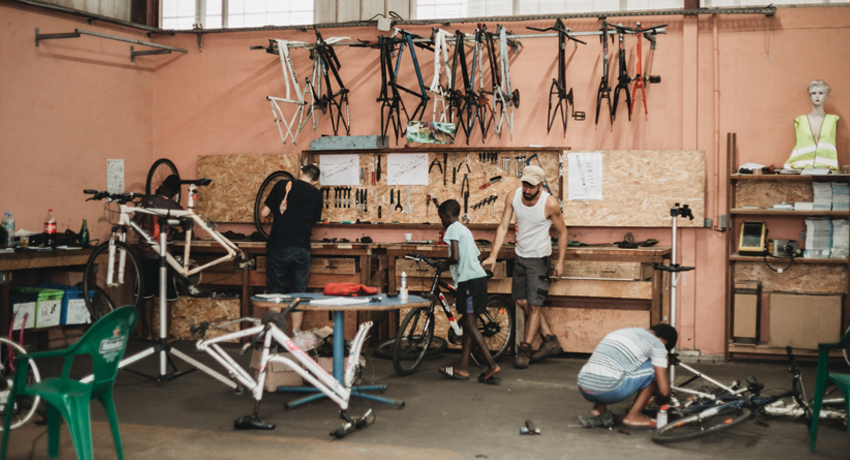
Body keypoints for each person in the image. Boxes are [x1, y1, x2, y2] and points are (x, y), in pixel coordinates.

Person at [481, 165, 568, 369]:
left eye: (531, 186)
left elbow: (563, 233)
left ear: (540, 185)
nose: (527, 190)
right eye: (525, 185)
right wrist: (493, 256)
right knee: (522, 301)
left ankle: (525, 350)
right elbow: (503, 226)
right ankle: (549, 339)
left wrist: (560, 262)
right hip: (520, 255)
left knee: (535, 305)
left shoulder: (550, 204)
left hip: (539, 258)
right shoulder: (513, 196)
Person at [436, 200, 501, 384]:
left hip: (469, 283)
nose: (441, 221)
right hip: (477, 279)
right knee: (467, 321)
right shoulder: (465, 230)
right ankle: (463, 368)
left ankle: (491, 364)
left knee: (470, 324)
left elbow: (455, 257)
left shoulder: (453, 229)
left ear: (448, 215)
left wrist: (443, 264)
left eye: (441, 218)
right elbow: (478, 256)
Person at [259, 164, 322, 334]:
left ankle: (273, 335)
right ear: (315, 181)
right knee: (297, 292)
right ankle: (295, 334)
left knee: (275, 292)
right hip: (301, 248)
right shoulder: (317, 193)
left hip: (279, 246)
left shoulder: (282, 185)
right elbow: (314, 218)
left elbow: (264, 214)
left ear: (300, 172)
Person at [577, 324, 678, 429]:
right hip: (609, 391)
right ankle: (634, 415)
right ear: (663, 343)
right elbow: (664, 392)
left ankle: (598, 409)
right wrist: (664, 400)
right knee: (654, 370)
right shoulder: (657, 344)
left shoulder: (621, 332)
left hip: (584, 387)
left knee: (611, 368)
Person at [136, 174, 183, 339]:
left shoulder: (148, 200)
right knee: (166, 297)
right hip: (165, 256)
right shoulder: (176, 207)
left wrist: (147, 237)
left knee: (146, 295)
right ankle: (165, 335)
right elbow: (185, 228)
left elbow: (135, 221)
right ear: (176, 192)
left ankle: (148, 334)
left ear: (162, 185)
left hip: (145, 254)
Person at [785, 80, 839, 170]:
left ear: (826, 96)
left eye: (821, 93)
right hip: (801, 168)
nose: (817, 96)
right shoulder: (800, 120)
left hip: (827, 168)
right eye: (814, 93)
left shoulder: (833, 120)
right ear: (810, 96)